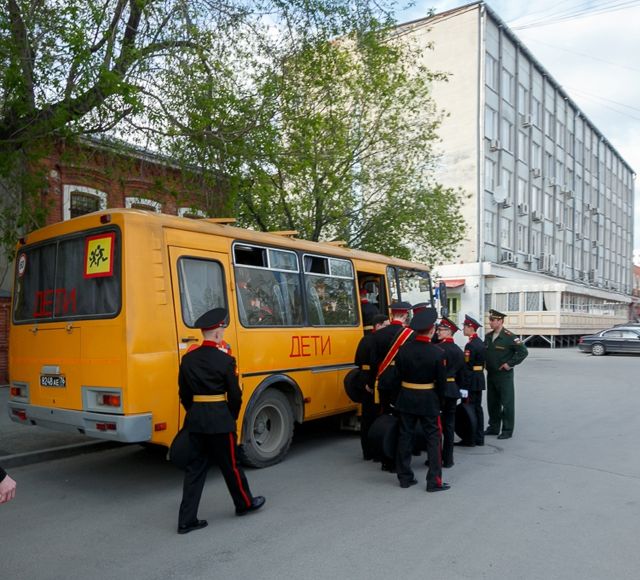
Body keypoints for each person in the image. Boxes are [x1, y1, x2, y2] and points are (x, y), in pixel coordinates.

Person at [177, 307, 265, 534]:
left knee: (194, 470)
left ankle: (186, 520)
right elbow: (235, 395)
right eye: (222, 331)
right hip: (220, 421)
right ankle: (244, 504)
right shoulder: (226, 360)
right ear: (217, 333)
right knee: (231, 466)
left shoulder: (188, 360)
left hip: (196, 421)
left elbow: (183, 394)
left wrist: (194, 411)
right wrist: (230, 416)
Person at [394, 308, 450, 492]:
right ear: (432, 330)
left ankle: (404, 477)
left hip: (406, 398)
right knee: (433, 440)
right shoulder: (438, 352)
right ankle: (434, 481)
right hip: (428, 400)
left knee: (405, 437)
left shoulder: (403, 350)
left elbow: (397, 376)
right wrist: (440, 402)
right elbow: (441, 383)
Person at [371, 301, 413, 472]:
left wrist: (373, 381)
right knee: (401, 421)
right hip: (401, 383)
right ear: (405, 315)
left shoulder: (378, 334)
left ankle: (384, 459)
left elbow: (374, 361)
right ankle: (397, 459)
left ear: (392, 315)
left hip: (383, 381)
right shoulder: (409, 334)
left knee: (384, 417)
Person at [484, 309, 528, 440]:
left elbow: (523, 352)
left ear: (500, 321)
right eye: (490, 320)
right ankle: (493, 427)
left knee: (507, 403)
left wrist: (510, 364)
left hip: (504, 376)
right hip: (491, 374)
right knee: (492, 402)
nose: (490, 322)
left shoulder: (509, 337)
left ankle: (507, 430)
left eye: (493, 320)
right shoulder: (488, 336)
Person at [354, 313, 390, 460]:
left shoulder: (364, 339)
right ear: (378, 325)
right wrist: (370, 382)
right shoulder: (380, 340)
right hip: (374, 380)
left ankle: (367, 452)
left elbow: (357, 361)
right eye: (386, 325)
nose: (388, 328)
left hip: (364, 379)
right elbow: (376, 364)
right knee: (378, 417)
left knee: (366, 418)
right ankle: (377, 451)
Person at [435, 317, 465, 467]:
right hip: (453, 390)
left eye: (441, 330)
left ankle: (436, 458)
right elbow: (462, 375)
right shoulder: (459, 351)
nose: (438, 332)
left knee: (436, 426)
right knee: (449, 426)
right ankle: (448, 459)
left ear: (449, 332)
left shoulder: (438, 349)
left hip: (439, 390)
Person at [459, 314, 486, 447]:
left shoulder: (470, 345)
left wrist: (463, 385)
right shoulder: (480, 342)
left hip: (471, 380)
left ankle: (470, 438)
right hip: (479, 378)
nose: (463, 329)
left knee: (469, 408)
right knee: (477, 408)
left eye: (465, 326)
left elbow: (467, 366)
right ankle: (479, 437)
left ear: (471, 327)